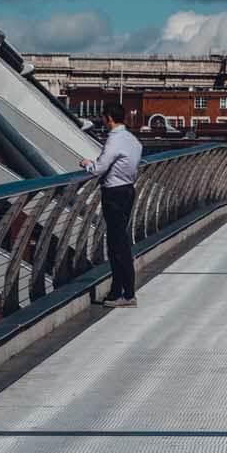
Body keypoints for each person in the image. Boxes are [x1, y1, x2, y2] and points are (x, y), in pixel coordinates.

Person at [79, 104, 144, 307]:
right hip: (128, 190)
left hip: (114, 194)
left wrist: (86, 164)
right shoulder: (133, 140)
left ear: (108, 119)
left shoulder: (114, 140)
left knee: (118, 245)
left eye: (104, 119)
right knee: (118, 242)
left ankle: (127, 294)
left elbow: (99, 168)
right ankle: (116, 292)